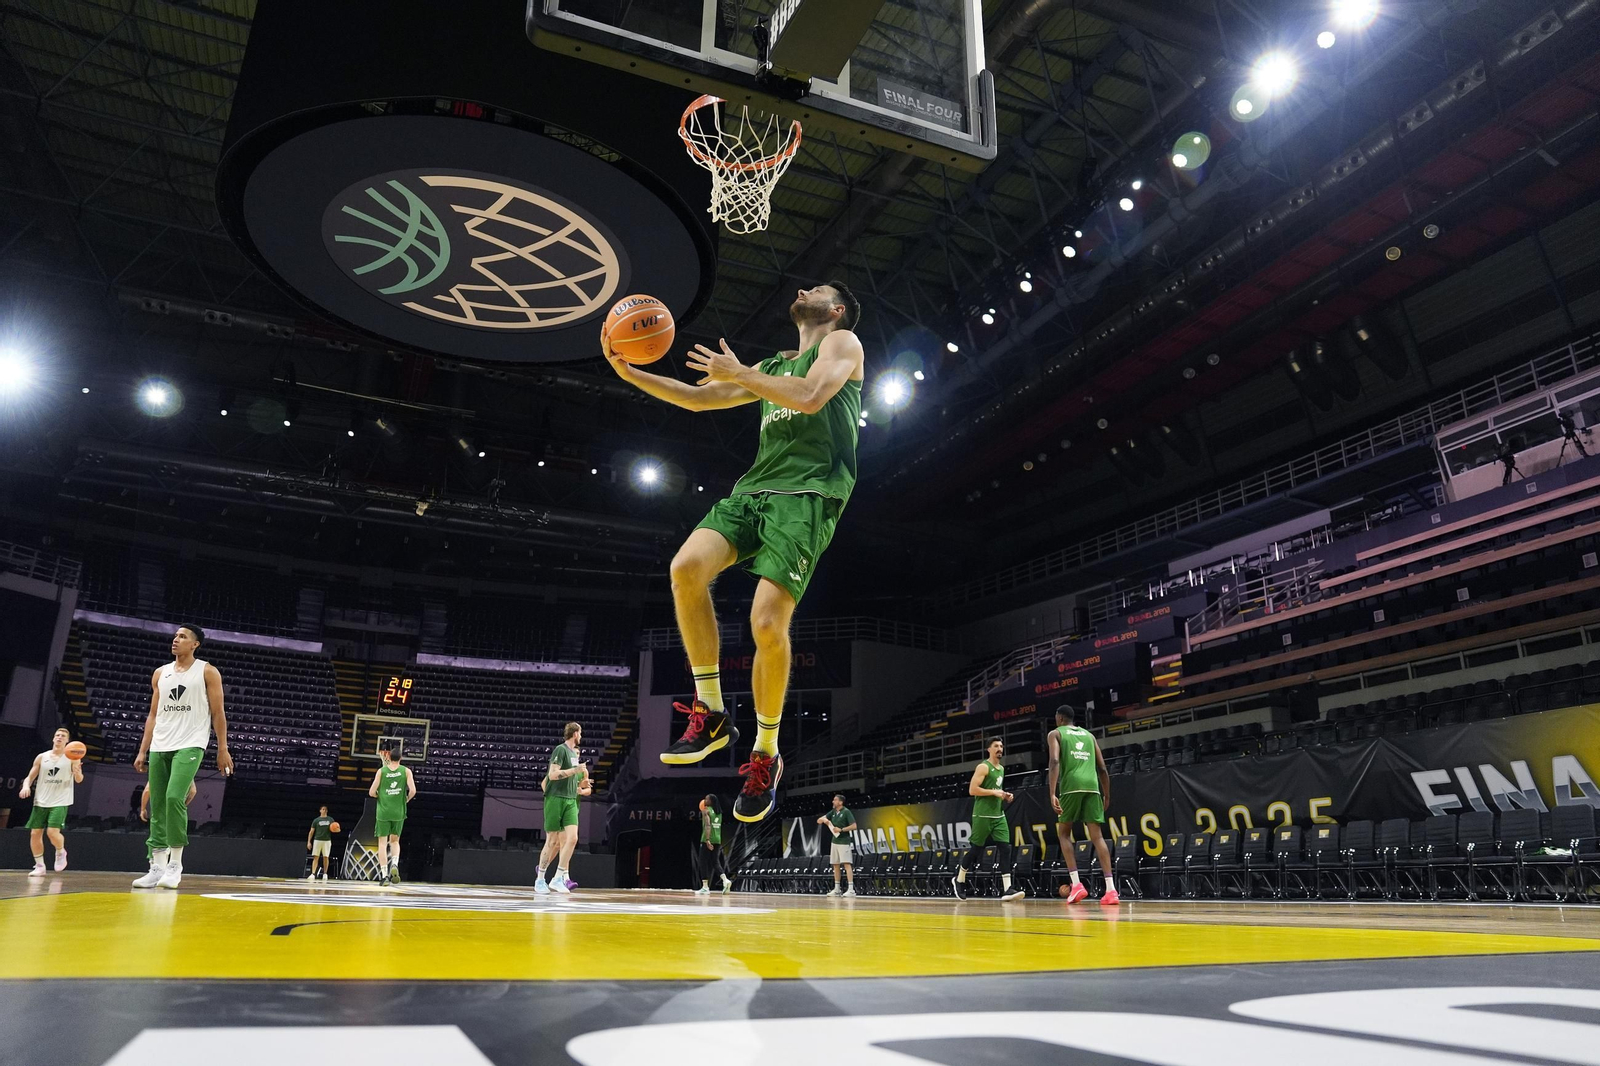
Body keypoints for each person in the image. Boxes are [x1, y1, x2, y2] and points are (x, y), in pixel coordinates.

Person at [606, 282, 864, 822]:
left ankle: (765, 752)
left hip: (809, 496)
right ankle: (713, 710)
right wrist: (633, 373)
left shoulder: (843, 346)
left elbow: (812, 396)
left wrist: (742, 373)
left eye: (816, 288)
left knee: (767, 625)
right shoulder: (773, 364)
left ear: (836, 310)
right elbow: (699, 398)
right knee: (685, 568)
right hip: (754, 491)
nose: (801, 288)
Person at [132, 625, 233, 890]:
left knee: (175, 797)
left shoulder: (207, 671)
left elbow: (218, 713)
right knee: (158, 804)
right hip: (160, 744)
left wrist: (222, 748)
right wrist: (143, 749)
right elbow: (153, 715)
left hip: (191, 743)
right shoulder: (160, 673)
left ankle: (175, 864)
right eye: (175, 636)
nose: (176, 640)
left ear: (195, 644)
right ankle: (156, 867)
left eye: (182, 637)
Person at [1048, 704, 1119, 906]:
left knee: (1063, 833)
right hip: (1093, 787)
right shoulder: (1089, 736)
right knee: (1097, 836)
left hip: (1072, 787)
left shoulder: (1056, 734)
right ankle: (1111, 890)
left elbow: (1054, 761)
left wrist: (1052, 793)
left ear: (1060, 718)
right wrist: (1106, 794)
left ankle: (1077, 884)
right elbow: (1103, 768)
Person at [952, 737, 1025, 903]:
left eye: (1001, 746)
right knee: (976, 849)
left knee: (1005, 848)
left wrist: (1005, 795)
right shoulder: (983, 766)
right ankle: (959, 879)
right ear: (989, 750)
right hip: (982, 815)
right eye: (996, 746)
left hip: (998, 815)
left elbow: (996, 790)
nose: (1000, 748)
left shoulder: (1001, 768)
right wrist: (994, 792)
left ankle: (1007, 888)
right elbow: (973, 790)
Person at [19, 728, 82, 875]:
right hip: (41, 800)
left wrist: (78, 773)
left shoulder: (72, 757)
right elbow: (30, 776)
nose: (59, 737)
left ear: (67, 741)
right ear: (53, 739)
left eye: (63, 736)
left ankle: (60, 852)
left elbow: (79, 780)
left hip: (60, 800)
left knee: (52, 833)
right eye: (57, 735)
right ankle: (39, 866)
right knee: (35, 834)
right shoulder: (42, 757)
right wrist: (26, 786)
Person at [535, 722, 586, 894]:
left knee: (572, 839)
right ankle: (540, 879)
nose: (581, 736)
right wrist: (574, 771)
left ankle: (558, 878)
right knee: (552, 841)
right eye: (580, 733)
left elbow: (573, 776)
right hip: (556, 798)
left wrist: (580, 781)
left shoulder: (573, 754)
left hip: (571, 799)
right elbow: (553, 775)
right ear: (575, 734)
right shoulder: (560, 749)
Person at [368, 743, 414, 886]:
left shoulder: (381, 771)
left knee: (382, 844)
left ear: (388, 757)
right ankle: (394, 864)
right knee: (395, 841)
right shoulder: (406, 771)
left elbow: (371, 792)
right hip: (398, 811)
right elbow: (413, 791)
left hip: (383, 811)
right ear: (401, 758)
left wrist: (380, 796)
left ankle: (384, 876)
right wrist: (405, 799)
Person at [140, 779, 196, 866]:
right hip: (173, 812)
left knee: (157, 834)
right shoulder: (182, 773)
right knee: (172, 835)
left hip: (159, 809)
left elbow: (147, 790)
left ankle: (155, 864)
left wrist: (143, 809)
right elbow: (193, 791)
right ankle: (172, 865)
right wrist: (181, 806)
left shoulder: (161, 770)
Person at [817, 793, 857, 897]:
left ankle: (851, 889)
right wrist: (823, 820)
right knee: (835, 865)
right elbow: (819, 820)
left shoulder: (846, 812)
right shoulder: (833, 812)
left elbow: (854, 826)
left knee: (847, 864)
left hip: (844, 841)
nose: (833, 801)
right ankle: (837, 889)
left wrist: (842, 829)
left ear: (840, 802)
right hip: (834, 841)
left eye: (835, 800)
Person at [694, 794, 733, 895]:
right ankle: (725, 880)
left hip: (707, 838)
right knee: (715, 862)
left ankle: (705, 887)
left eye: (706, 799)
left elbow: (707, 825)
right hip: (717, 839)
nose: (704, 800)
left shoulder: (706, 811)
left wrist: (707, 840)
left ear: (711, 801)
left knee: (702, 862)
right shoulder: (719, 812)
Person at [307, 805, 337, 881]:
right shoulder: (316, 820)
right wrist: (309, 842)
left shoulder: (330, 819)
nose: (324, 810)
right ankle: (313, 873)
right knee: (316, 857)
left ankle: (325, 874)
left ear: (327, 811)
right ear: (320, 811)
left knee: (326, 857)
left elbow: (335, 829)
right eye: (323, 809)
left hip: (327, 840)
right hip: (317, 840)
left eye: (325, 809)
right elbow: (311, 831)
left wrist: (336, 829)